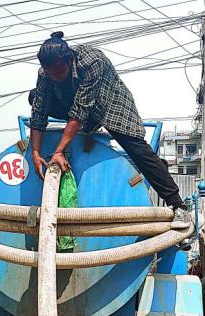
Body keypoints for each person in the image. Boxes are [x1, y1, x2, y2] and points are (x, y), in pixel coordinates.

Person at [28, 31, 188, 220]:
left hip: (110, 106)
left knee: (138, 149)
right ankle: (82, 129)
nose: (54, 78)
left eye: (59, 73)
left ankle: (178, 205)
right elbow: (38, 114)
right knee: (34, 96)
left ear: (69, 59)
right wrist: (36, 153)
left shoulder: (92, 62)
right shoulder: (46, 74)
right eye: (50, 74)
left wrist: (58, 151)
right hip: (73, 103)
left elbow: (79, 111)